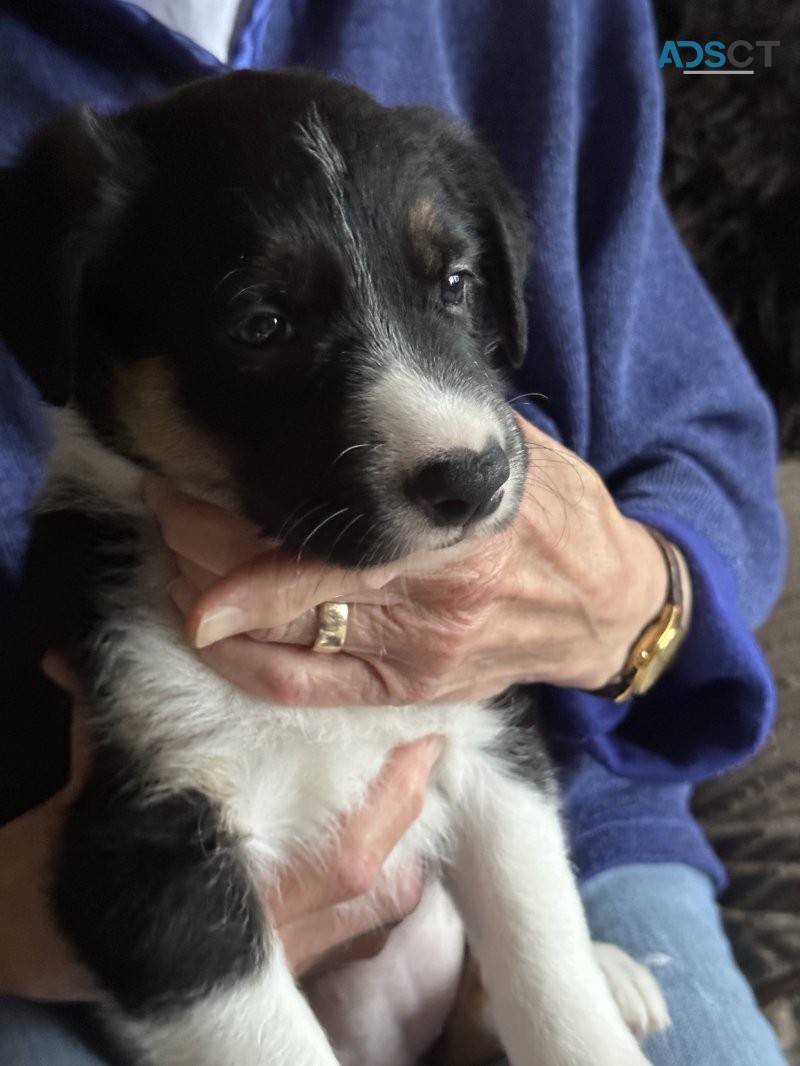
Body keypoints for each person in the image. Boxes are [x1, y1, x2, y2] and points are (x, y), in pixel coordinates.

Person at [0, 1, 788, 1064]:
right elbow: (144, 880)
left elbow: (487, 759)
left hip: (544, 867)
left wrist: (631, 599)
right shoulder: (108, 594)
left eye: (449, 286)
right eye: (262, 326)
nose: (446, 427)